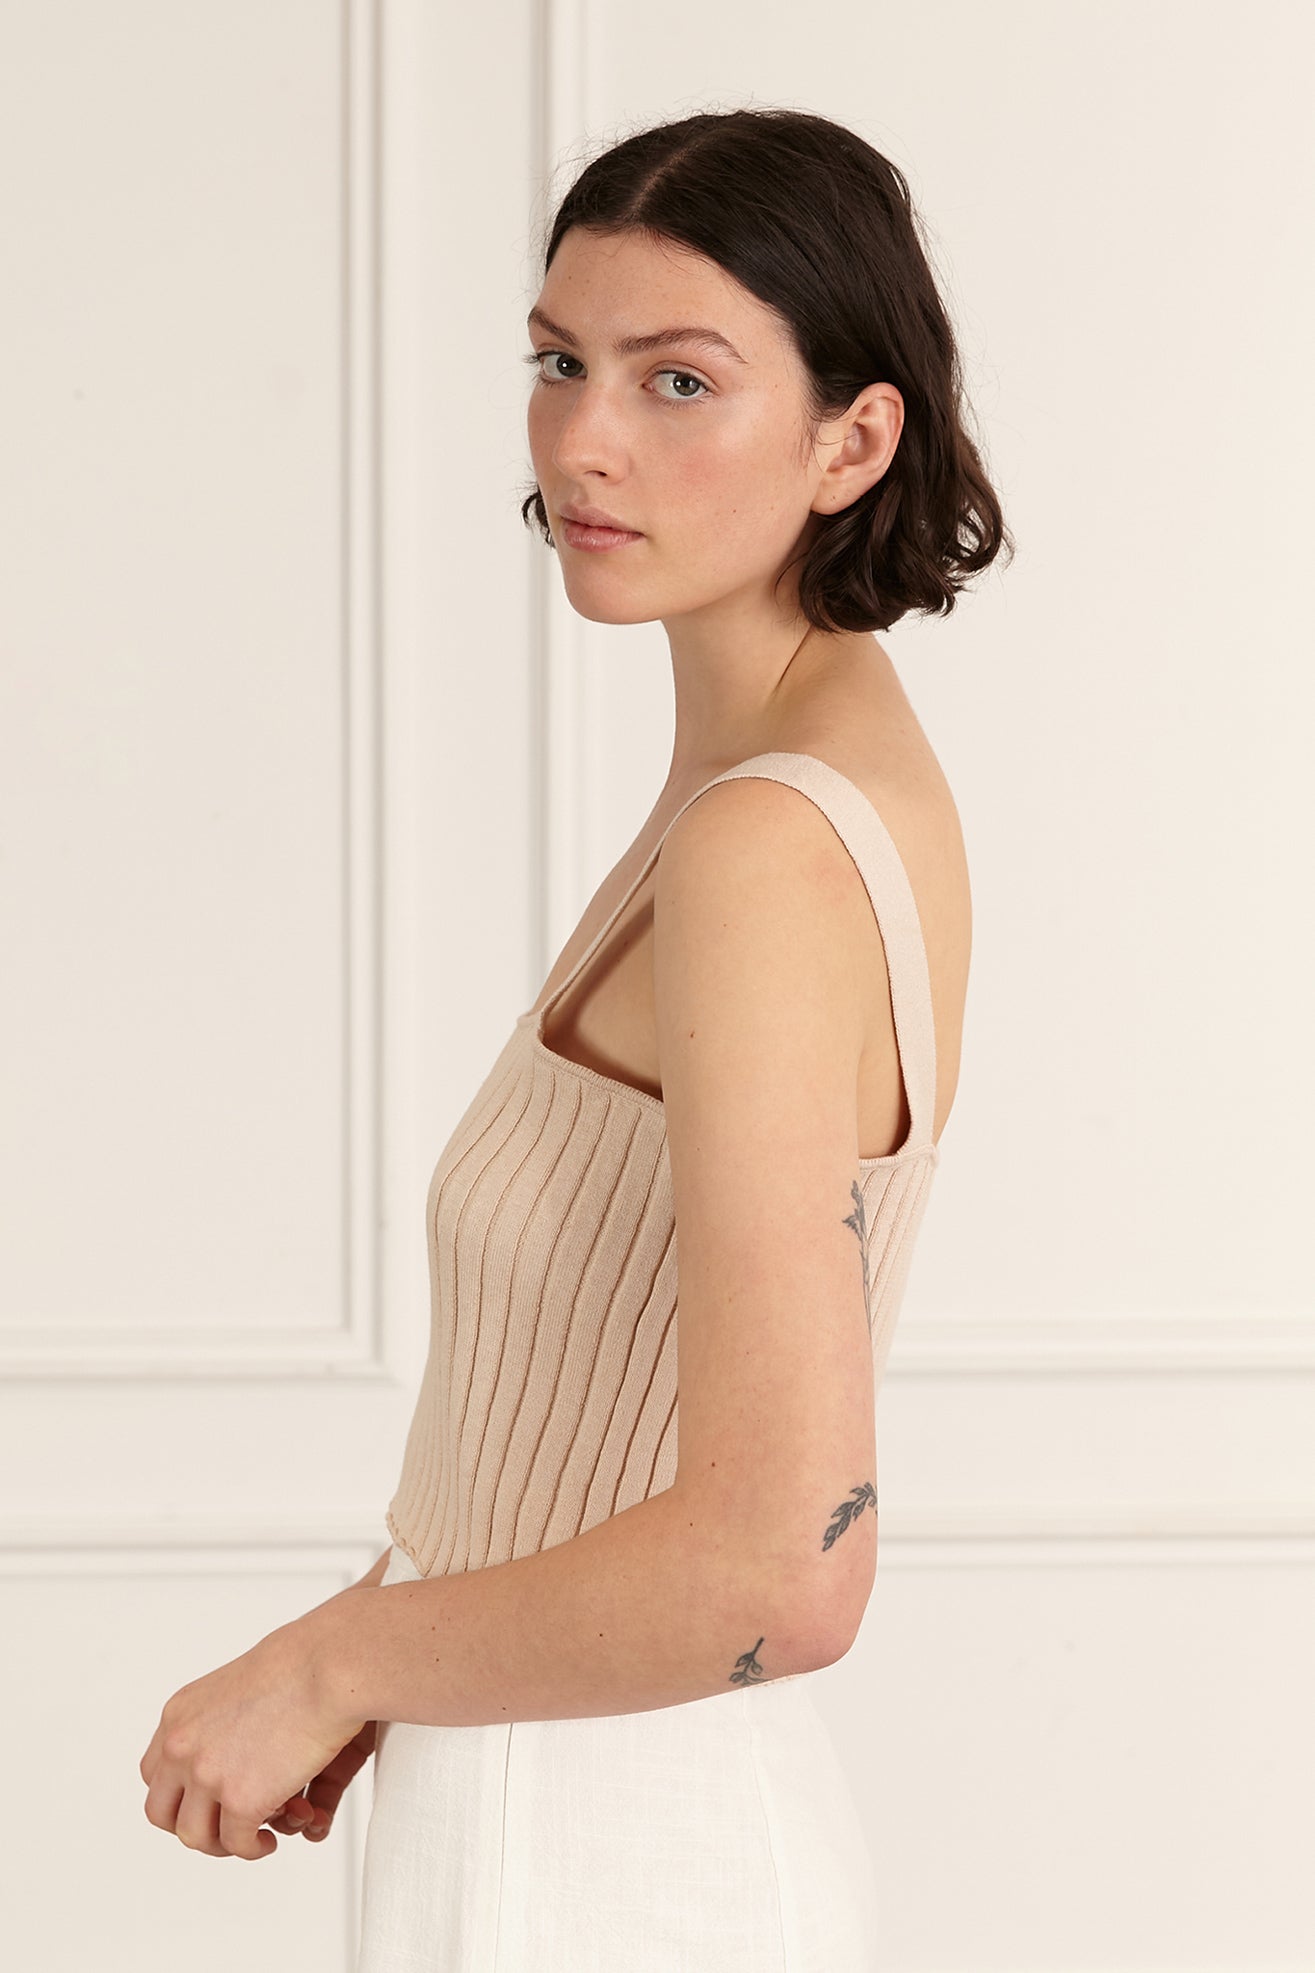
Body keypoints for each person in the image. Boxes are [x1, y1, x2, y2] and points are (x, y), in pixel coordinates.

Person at [139, 104, 1011, 1969]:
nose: (584, 440)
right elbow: (582, 1431)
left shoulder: (769, 842)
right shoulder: (766, 782)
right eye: (559, 363)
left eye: (678, 380)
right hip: (562, 1793)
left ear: (855, 441)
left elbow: (787, 1561)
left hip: (610, 1850)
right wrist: (396, 1634)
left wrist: (333, 1658)